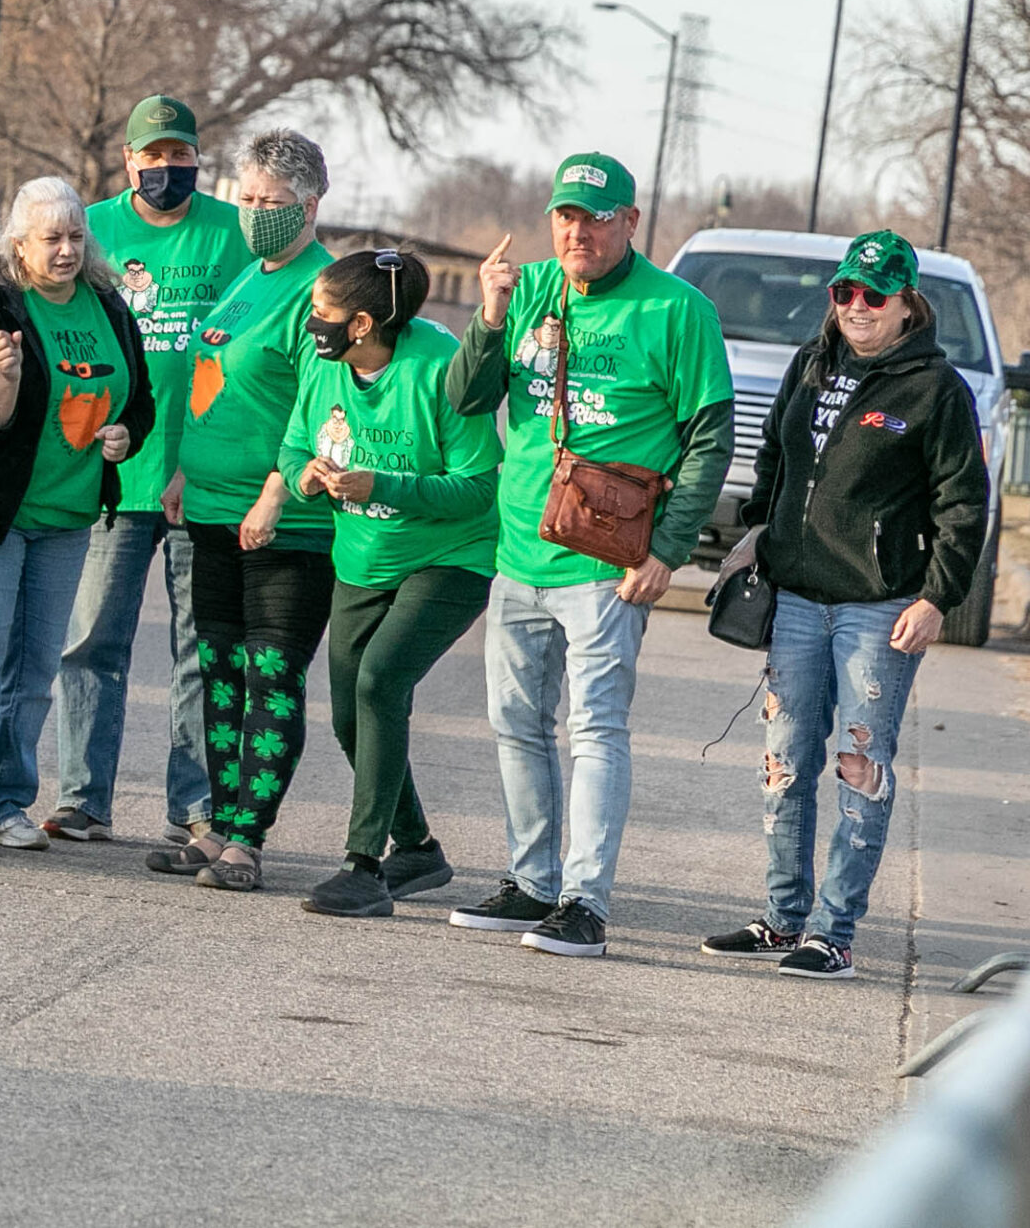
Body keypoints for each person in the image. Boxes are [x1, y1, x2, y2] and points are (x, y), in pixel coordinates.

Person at [444, 152, 733, 958]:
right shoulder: (529, 289)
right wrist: (490, 315)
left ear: (630, 222)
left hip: (608, 564)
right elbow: (466, 398)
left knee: (596, 727)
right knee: (515, 723)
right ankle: (531, 880)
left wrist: (668, 549)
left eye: (598, 218)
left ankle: (584, 901)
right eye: (567, 216)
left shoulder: (678, 309)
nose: (579, 233)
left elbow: (711, 438)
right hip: (519, 554)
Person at [700, 230, 985, 980]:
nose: (857, 306)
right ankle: (783, 918)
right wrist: (760, 535)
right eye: (845, 291)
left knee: (860, 764)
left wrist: (938, 597)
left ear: (906, 304)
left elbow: (963, 504)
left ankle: (834, 934)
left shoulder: (936, 389)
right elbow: (773, 455)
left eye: (873, 295)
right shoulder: (810, 362)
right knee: (785, 762)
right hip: (797, 596)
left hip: (879, 607)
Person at [0, 178, 152, 853]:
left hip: (69, 516)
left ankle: (3, 801)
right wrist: (9, 376)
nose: (66, 250)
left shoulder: (109, 304)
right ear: (18, 243)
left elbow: (139, 398)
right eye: (51, 238)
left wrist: (126, 436)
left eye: (76, 236)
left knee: (34, 671)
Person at [46, 95, 253, 845]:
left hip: (203, 477)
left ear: (198, 158)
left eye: (180, 154)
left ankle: (194, 806)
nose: (167, 167)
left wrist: (206, 464)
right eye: (154, 155)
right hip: (116, 471)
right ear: (129, 160)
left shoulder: (234, 233)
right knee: (91, 642)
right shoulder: (91, 229)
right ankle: (82, 799)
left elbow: (249, 354)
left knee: (200, 649)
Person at [278, 248, 498, 917]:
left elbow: (478, 486)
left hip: (450, 556)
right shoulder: (324, 365)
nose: (311, 322)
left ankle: (363, 866)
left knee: (379, 682)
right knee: (351, 716)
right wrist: (304, 477)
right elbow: (294, 445)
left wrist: (386, 485)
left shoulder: (439, 366)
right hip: (361, 559)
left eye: (323, 312)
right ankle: (418, 848)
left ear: (363, 323)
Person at [148, 127, 337, 893]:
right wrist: (182, 470)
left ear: (310, 205)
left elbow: (324, 408)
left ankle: (248, 841)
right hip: (210, 511)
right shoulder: (249, 276)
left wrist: (275, 490)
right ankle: (217, 826)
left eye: (272, 201)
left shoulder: (324, 290)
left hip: (286, 525)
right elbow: (212, 376)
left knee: (270, 677)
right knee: (220, 676)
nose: (255, 212)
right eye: (248, 198)